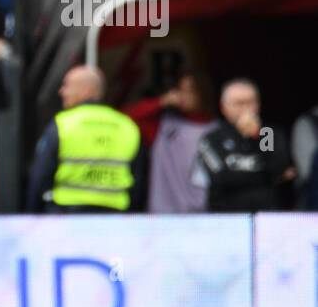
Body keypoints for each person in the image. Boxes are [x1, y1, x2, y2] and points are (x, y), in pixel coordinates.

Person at [26, 65, 143, 213]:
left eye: (67, 86)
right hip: (114, 219)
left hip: (67, 216)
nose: (61, 91)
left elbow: (40, 176)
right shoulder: (127, 126)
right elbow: (138, 181)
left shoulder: (63, 124)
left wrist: (32, 216)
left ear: (86, 90)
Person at [197, 79, 295, 212]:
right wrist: (261, 177)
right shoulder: (213, 138)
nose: (246, 108)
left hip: (266, 214)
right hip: (227, 215)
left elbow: (278, 170)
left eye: (251, 102)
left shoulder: (267, 134)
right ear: (223, 108)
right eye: (239, 103)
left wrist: (256, 136)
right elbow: (220, 178)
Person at [122, 71, 214, 214]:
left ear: (202, 93)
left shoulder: (217, 130)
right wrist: (161, 101)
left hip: (206, 214)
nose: (183, 96)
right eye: (180, 90)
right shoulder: (164, 127)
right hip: (163, 215)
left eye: (189, 91)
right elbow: (126, 119)